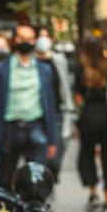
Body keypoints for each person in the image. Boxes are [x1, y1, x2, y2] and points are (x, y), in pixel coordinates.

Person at [0, 19, 61, 188]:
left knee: (37, 179)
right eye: (21, 37)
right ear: (15, 40)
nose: (26, 41)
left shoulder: (45, 70)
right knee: (5, 178)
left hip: (36, 129)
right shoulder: (0, 69)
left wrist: (53, 140)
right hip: (9, 130)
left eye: (30, 38)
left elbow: (51, 106)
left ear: (34, 41)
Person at [73, 35, 107, 212]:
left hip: (89, 116)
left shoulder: (82, 69)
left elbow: (77, 96)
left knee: (87, 154)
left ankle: (93, 193)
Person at [34, 29, 74, 176]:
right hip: (37, 115)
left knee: (56, 157)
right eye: (40, 36)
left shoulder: (58, 61)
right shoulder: (31, 62)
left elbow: (65, 85)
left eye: (46, 36)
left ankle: (50, 178)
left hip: (57, 114)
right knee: (39, 157)